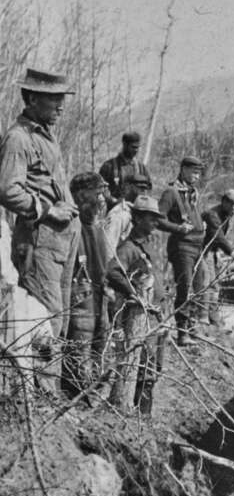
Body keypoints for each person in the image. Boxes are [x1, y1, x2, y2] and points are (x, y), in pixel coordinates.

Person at [0, 68, 79, 360]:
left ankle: (49, 394)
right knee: (45, 322)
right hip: (39, 240)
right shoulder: (18, 138)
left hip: (60, 241)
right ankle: (42, 401)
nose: (61, 106)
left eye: (62, 98)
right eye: (54, 99)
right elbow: (8, 190)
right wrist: (47, 210)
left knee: (60, 319)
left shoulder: (45, 136)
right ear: (32, 98)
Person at [106, 195, 168, 415]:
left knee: (155, 368)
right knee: (145, 370)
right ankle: (142, 418)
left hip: (157, 316)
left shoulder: (151, 244)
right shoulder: (129, 248)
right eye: (151, 218)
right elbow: (113, 271)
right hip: (142, 320)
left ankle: (141, 415)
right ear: (139, 219)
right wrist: (133, 293)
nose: (155, 223)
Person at [62, 172, 114, 398]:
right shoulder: (71, 225)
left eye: (103, 193)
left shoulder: (99, 226)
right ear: (81, 195)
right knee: (80, 341)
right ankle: (76, 393)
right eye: (97, 193)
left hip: (99, 292)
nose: (102, 199)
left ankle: (95, 390)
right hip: (80, 293)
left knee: (101, 340)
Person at [158, 156, 205, 347]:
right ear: (183, 169)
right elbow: (158, 219)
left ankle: (192, 328)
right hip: (182, 246)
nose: (196, 176)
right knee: (184, 288)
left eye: (198, 173)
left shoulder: (193, 193)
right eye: (193, 171)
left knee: (199, 288)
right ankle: (182, 331)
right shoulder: (171, 192)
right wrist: (178, 228)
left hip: (197, 246)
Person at [200, 188, 234, 325]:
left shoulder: (227, 216)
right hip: (200, 251)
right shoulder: (212, 214)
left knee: (214, 285)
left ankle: (213, 317)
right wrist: (232, 253)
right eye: (233, 205)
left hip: (211, 252)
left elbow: (220, 239)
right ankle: (202, 317)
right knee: (205, 283)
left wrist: (218, 253)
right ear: (224, 202)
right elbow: (218, 236)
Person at [98, 131, 151, 209]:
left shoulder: (141, 168)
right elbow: (101, 188)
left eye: (138, 147)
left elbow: (149, 188)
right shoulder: (109, 166)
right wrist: (114, 201)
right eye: (133, 147)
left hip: (138, 210)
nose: (136, 150)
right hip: (115, 210)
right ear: (125, 145)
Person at [103, 173, 153, 254]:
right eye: (140, 188)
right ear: (127, 187)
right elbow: (108, 249)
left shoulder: (136, 213)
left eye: (145, 189)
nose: (143, 193)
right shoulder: (120, 215)